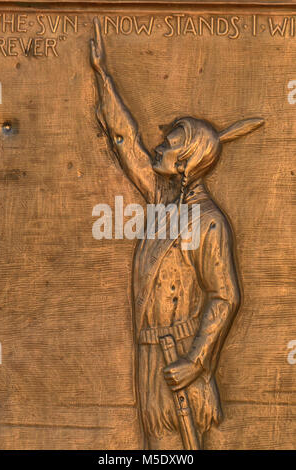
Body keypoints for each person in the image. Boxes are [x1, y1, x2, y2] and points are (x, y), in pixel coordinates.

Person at [90, 18, 264, 449]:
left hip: (180, 357)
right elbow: (125, 140)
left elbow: (226, 296)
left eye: (169, 145)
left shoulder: (209, 222)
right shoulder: (162, 202)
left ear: (186, 163)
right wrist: (103, 79)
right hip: (150, 357)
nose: (159, 148)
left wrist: (197, 363)